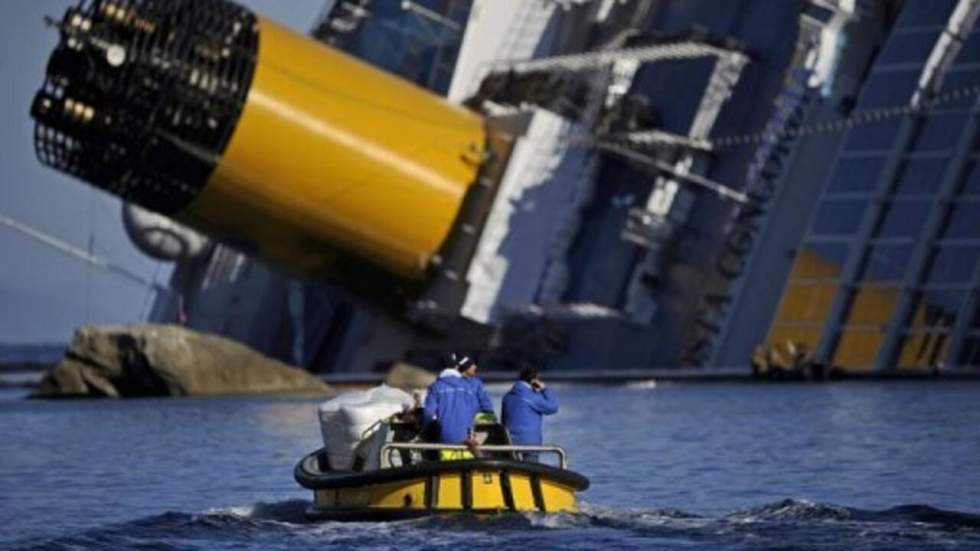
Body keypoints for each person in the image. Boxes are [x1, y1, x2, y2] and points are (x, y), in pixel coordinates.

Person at [422, 353, 494, 459]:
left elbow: (428, 413)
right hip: (467, 440)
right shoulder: (468, 386)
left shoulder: (436, 387)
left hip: (446, 439)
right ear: (456, 367)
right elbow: (477, 408)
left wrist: (424, 428)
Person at [501, 366, 558, 462]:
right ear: (534, 380)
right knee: (530, 472)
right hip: (529, 443)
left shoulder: (507, 396)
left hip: (509, 441)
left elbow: (503, 420)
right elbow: (553, 407)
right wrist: (545, 389)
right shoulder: (532, 397)